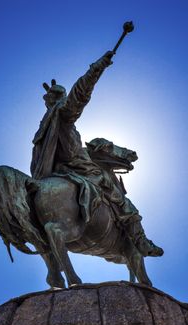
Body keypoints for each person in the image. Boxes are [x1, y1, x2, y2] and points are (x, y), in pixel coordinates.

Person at [30, 50, 163, 257]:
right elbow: (80, 93)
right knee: (124, 203)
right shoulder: (62, 114)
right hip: (83, 171)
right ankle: (141, 242)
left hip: (55, 173)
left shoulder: (44, 126)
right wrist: (97, 67)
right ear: (61, 99)